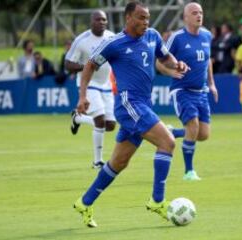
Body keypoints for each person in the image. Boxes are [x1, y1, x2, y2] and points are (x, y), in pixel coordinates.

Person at [73, 1, 189, 228]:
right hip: (128, 105)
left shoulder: (153, 36)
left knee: (119, 162)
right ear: (128, 18)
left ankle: (84, 202)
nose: (146, 22)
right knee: (167, 142)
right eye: (141, 18)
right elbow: (89, 65)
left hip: (143, 104)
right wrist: (82, 96)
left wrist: (178, 65)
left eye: (147, 18)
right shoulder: (114, 43)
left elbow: (165, 58)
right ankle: (158, 201)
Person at [159, 2, 218, 180]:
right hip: (182, 90)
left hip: (201, 92)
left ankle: (173, 132)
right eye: (194, 13)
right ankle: (189, 172)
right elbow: (159, 62)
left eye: (200, 12)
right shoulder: (176, 38)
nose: (198, 15)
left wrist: (212, 84)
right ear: (186, 18)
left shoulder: (207, 35)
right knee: (192, 124)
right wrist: (171, 72)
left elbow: (208, 60)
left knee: (203, 134)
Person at [65, 10, 117, 169]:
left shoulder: (111, 37)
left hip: (106, 84)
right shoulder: (82, 40)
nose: (101, 22)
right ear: (91, 22)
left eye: (104, 20)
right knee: (99, 120)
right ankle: (97, 162)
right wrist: (86, 67)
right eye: (98, 19)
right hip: (88, 83)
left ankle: (78, 118)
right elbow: (67, 64)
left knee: (110, 125)